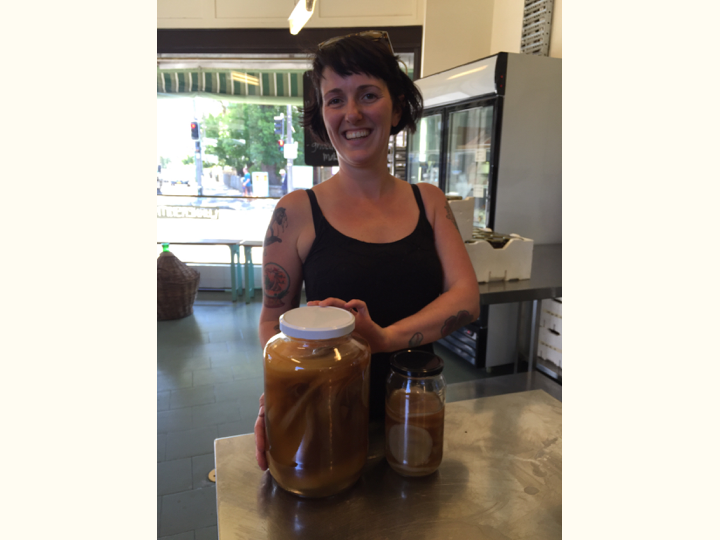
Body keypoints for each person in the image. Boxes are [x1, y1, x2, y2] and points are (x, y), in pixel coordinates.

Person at [254, 31, 480, 471]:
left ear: (396, 107)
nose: (352, 113)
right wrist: (279, 394)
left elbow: (466, 298)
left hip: (414, 412)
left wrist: (383, 340)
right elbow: (271, 321)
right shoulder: (295, 212)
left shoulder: (429, 202)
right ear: (323, 115)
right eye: (335, 100)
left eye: (368, 95)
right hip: (325, 418)